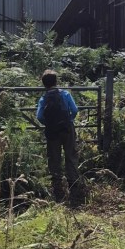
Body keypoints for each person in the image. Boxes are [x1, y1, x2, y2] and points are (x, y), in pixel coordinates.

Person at [36, 69, 83, 204]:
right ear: (56, 82)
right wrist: (69, 120)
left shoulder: (44, 99)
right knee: (70, 155)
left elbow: (39, 116)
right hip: (67, 129)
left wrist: (49, 123)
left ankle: (57, 186)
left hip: (52, 132)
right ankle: (73, 184)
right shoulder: (65, 94)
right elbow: (74, 110)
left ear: (44, 84)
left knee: (54, 157)